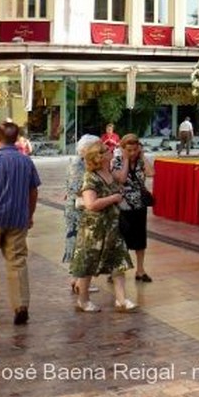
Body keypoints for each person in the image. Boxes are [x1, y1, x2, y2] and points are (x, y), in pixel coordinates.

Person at [0, 121, 41, 325]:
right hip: (18, 218)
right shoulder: (26, 162)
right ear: (17, 138)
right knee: (18, 261)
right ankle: (21, 305)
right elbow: (33, 191)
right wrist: (29, 214)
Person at [68, 140, 135, 313]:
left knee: (119, 262)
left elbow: (121, 178)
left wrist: (126, 158)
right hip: (94, 230)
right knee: (88, 264)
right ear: (99, 157)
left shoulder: (109, 172)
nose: (111, 151)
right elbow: (90, 204)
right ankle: (83, 300)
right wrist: (113, 198)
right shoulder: (91, 177)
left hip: (112, 227)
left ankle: (121, 299)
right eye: (107, 150)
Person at [63, 135, 99, 295]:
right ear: (85, 149)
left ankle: (77, 280)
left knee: (79, 245)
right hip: (78, 210)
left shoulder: (80, 162)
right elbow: (78, 188)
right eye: (95, 148)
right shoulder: (79, 164)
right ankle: (79, 281)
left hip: (77, 208)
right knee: (81, 245)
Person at [117, 134, 154, 283]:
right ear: (123, 149)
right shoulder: (117, 161)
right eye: (129, 150)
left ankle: (140, 270)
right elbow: (121, 178)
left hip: (139, 205)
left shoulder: (140, 161)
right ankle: (118, 269)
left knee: (140, 238)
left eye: (135, 149)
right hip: (123, 206)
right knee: (121, 239)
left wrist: (143, 155)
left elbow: (151, 173)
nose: (132, 153)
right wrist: (125, 159)